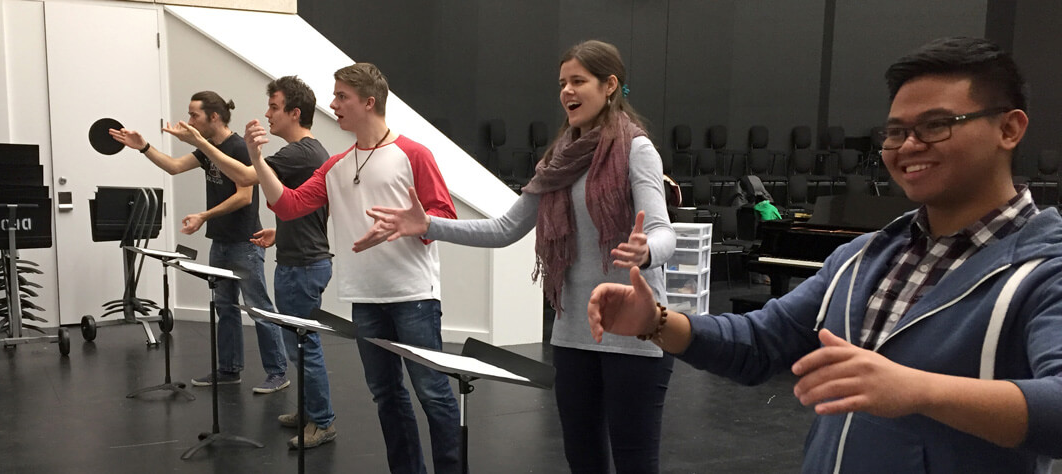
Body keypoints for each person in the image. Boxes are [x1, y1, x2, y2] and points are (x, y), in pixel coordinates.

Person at [589, 37, 1062, 473]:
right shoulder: (864, 258)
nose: (908, 146)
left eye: (936, 125)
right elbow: (761, 341)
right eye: (895, 131)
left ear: (1009, 128)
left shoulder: (1045, 269)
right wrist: (656, 322)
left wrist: (919, 389)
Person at [362, 40, 677, 473]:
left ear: (609, 86)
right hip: (573, 336)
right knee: (583, 461)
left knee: (635, 463)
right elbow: (504, 229)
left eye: (578, 81)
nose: (567, 91)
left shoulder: (636, 149)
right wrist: (428, 225)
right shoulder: (559, 160)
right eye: (562, 83)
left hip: (636, 335)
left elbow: (663, 232)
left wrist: (646, 251)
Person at [243, 63, 463, 474]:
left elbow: (443, 217)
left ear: (369, 102)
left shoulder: (414, 154)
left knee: (433, 394)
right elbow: (288, 205)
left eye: (342, 96)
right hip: (364, 299)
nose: (333, 104)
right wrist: (256, 158)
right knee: (386, 396)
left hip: (413, 297)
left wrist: (409, 225)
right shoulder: (336, 166)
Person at [187, 76, 339, 449]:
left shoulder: (299, 153)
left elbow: (244, 176)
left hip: (303, 265)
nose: (268, 114)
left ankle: (322, 422)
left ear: (294, 112)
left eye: (274, 107)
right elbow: (304, 207)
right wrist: (280, 231)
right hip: (300, 258)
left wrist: (201, 143)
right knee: (297, 345)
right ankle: (310, 411)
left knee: (304, 346)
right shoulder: (308, 152)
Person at [108, 91, 289, 394]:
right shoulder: (208, 148)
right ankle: (229, 369)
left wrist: (204, 215)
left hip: (245, 242)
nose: (190, 121)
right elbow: (174, 166)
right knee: (225, 308)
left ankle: (277, 372)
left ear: (213, 117)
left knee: (259, 308)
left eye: (195, 115)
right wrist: (144, 147)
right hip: (220, 242)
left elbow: (245, 195)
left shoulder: (237, 148)